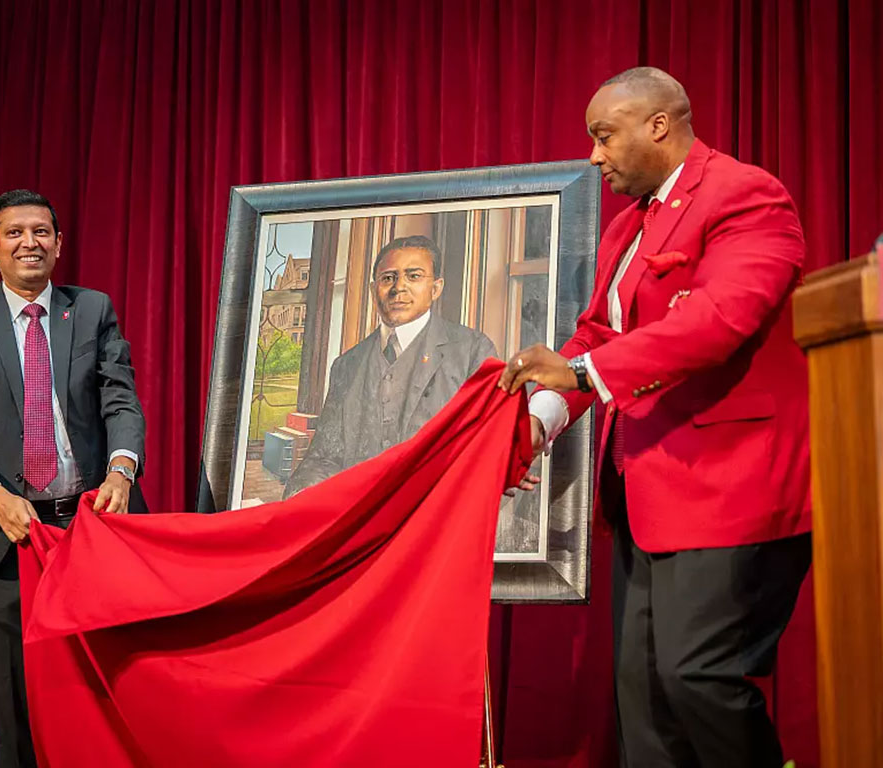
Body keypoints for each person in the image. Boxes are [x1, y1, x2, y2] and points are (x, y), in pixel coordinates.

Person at [500, 67, 811, 767]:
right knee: (643, 699)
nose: (593, 156)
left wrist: (579, 371)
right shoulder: (624, 230)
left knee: (698, 678)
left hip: (733, 488)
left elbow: (719, 319)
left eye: (603, 136)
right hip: (647, 492)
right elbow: (593, 339)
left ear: (659, 125)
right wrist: (536, 423)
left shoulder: (745, 194)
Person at [0, 189, 147, 768]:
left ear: (59, 242)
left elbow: (120, 401)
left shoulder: (92, 309)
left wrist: (122, 468)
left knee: (110, 686)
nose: (30, 242)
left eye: (42, 231)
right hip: (8, 538)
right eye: (15, 232)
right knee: (18, 699)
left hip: (94, 528)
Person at [284, 235, 496, 496]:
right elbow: (324, 457)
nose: (399, 288)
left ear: (436, 287)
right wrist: (297, 501)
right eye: (388, 278)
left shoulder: (472, 351)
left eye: (414, 276)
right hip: (361, 517)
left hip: (437, 514)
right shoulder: (347, 365)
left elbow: (488, 451)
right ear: (374, 290)